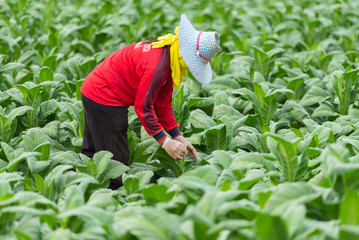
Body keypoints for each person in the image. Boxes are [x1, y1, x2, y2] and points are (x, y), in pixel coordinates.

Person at [80, 14, 221, 189]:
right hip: (104, 96)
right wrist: (165, 142)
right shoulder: (158, 65)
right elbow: (143, 108)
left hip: (94, 89)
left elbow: (162, 104)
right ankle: (114, 202)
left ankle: (82, 189)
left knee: (92, 151)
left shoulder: (169, 52)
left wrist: (178, 136)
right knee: (116, 163)